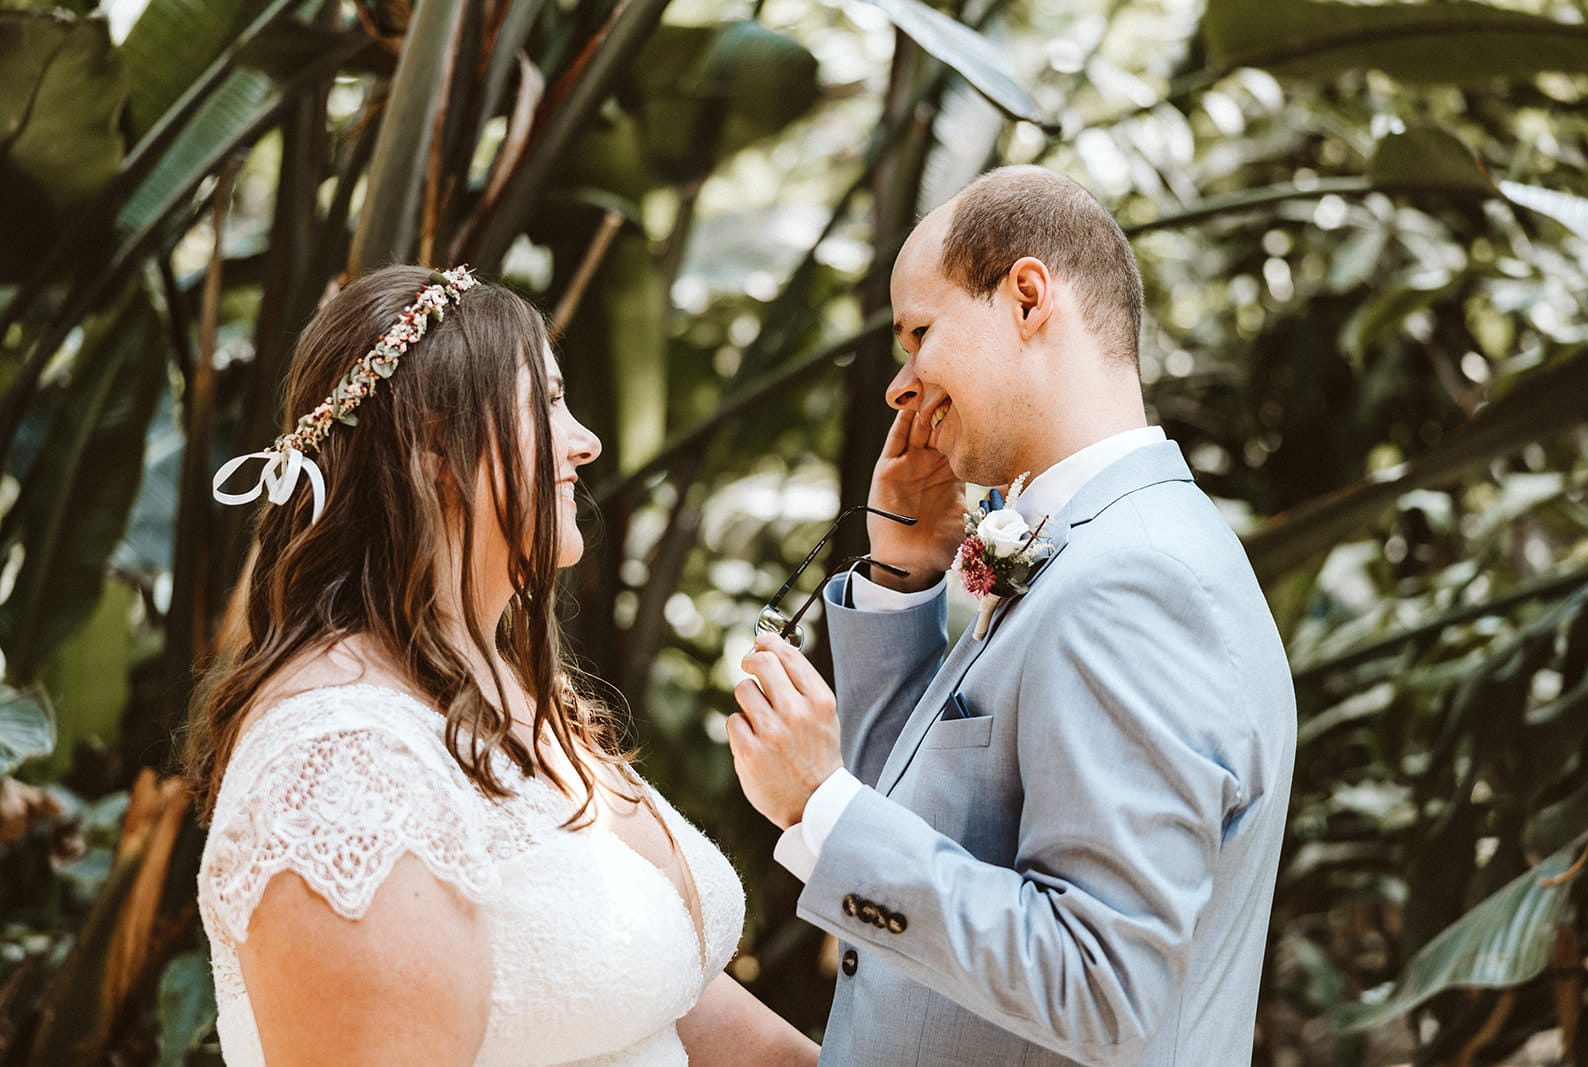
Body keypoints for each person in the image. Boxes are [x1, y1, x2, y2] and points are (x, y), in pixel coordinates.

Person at [729, 166, 1297, 1065]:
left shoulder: (1134, 579)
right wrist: (902, 579)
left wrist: (821, 807)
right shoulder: (1084, 541)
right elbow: (937, 824)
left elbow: (1100, 984)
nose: (899, 385)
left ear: (1029, 298)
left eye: (920, 333)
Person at [187, 265, 817, 1066]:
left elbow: (679, 999)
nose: (585, 442)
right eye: (547, 404)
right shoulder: (343, 765)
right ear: (433, 448)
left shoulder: (505, 687)